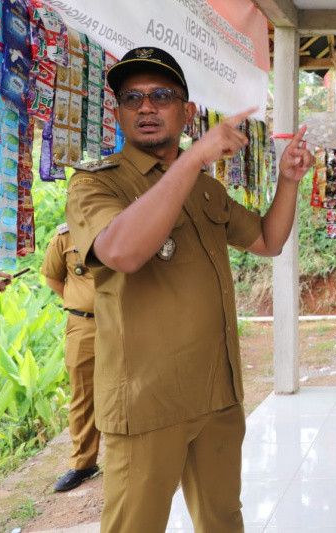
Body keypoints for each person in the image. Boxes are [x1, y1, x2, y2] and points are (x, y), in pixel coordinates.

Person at [65, 46, 313, 532]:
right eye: (132, 98)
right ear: (118, 111)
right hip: (147, 403)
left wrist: (288, 181)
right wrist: (195, 155)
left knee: (223, 521)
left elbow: (267, 240)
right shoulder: (97, 185)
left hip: (217, 394)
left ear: (187, 110)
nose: (146, 108)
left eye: (161, 95)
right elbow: (122, 253)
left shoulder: (205, 189)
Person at [41, 222, 101, 492]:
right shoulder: (64, 237)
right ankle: (84, 464)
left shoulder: (123, 224)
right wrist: (80, 300)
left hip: (125, 323)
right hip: (83, 325)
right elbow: (52, 277)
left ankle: (140, 453)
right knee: (83, 394)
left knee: (134, 385)